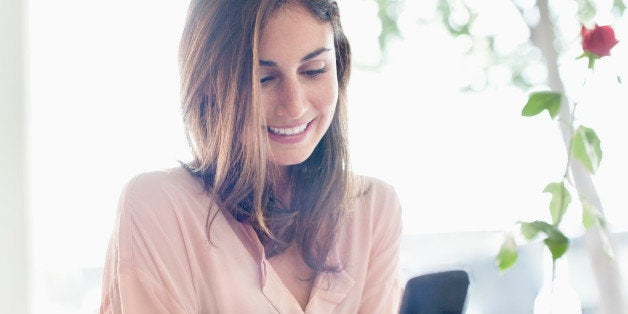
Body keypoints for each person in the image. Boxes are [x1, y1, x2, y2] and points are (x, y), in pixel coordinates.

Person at [99, 0, 403, 313]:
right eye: (263, 79)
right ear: (209, 85)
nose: (294, 106)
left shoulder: (374, 209)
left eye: (313, 71)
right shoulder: (159, 207)